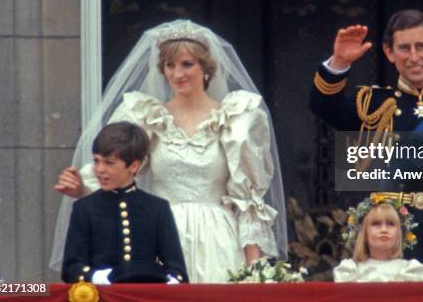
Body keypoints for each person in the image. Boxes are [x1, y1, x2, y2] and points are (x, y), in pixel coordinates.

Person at [52, 20, 287, 283]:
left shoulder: (237, 119)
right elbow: (117, 169)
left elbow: (248, 203)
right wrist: (82, 187)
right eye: (170, 65)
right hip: (156, 235)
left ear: (206, 68)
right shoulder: (146, 117)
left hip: (218, 241)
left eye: (187, 64)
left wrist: (254, 272)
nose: (177, 74)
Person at [310, 9, 423, 280]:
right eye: (404, 48)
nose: (413, 57)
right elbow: (322, 105)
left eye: (421, 46)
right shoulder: (372, 104)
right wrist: (338, 63)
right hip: (384, 250)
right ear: (389, 52)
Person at [62, 122, 189, 284]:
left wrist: (170, 281)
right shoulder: (85, 208)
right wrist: (94, 276)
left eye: (109, 163)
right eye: (96, 161)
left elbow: (177, 270)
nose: (99, 169)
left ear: (134, 165)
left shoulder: (157, 208)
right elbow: (71, 267)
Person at [334, 193, 423, 282]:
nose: (384, 229)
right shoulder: (350, 271)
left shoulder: (412, 271)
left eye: (391, 224)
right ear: (363, 233)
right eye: (376, 224)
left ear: (399, 233)